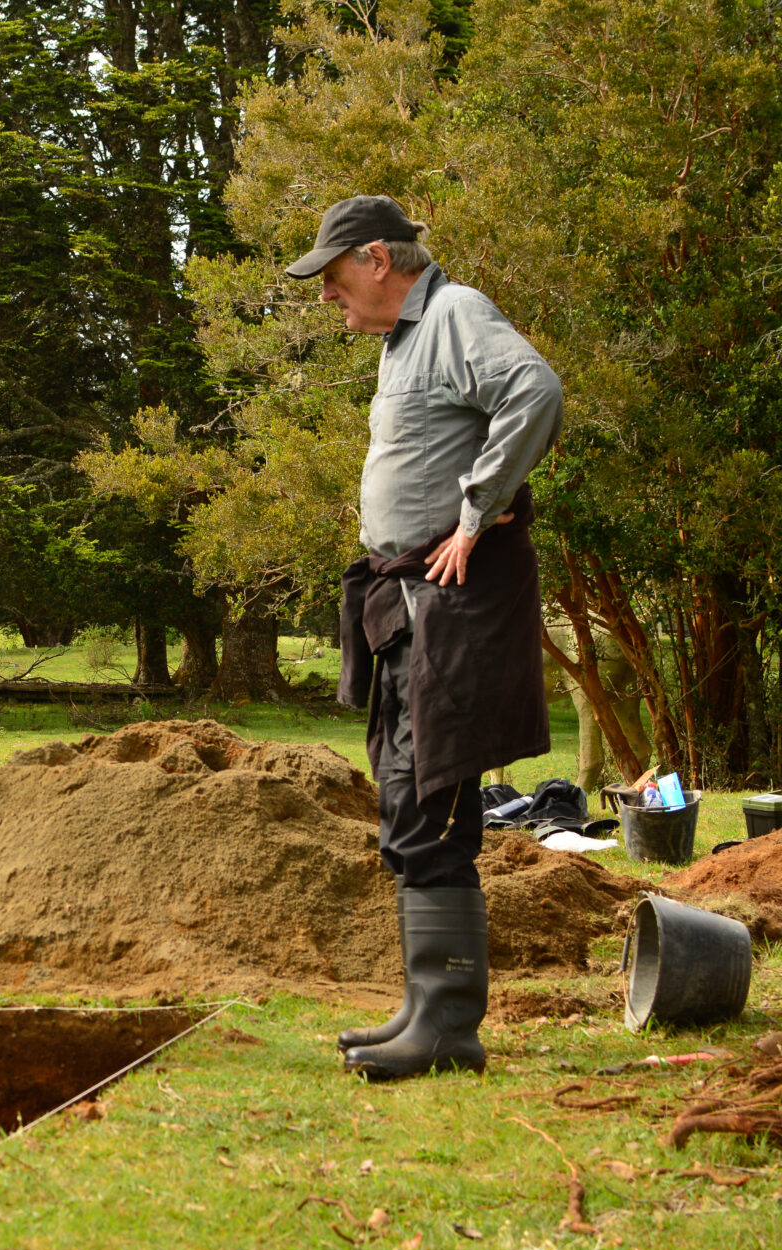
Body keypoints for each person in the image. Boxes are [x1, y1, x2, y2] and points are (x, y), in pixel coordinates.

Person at [288, 196, 563, 1081]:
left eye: (332, 279)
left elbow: (536, 390)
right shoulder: (407, 338)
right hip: (409, 603)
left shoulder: (454, 315)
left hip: (452, 603)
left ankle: (447, 1027)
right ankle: (424, 1007)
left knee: (434, 795)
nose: (328, 299)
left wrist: (475, 515)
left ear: (376, 258)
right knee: (409, 793)